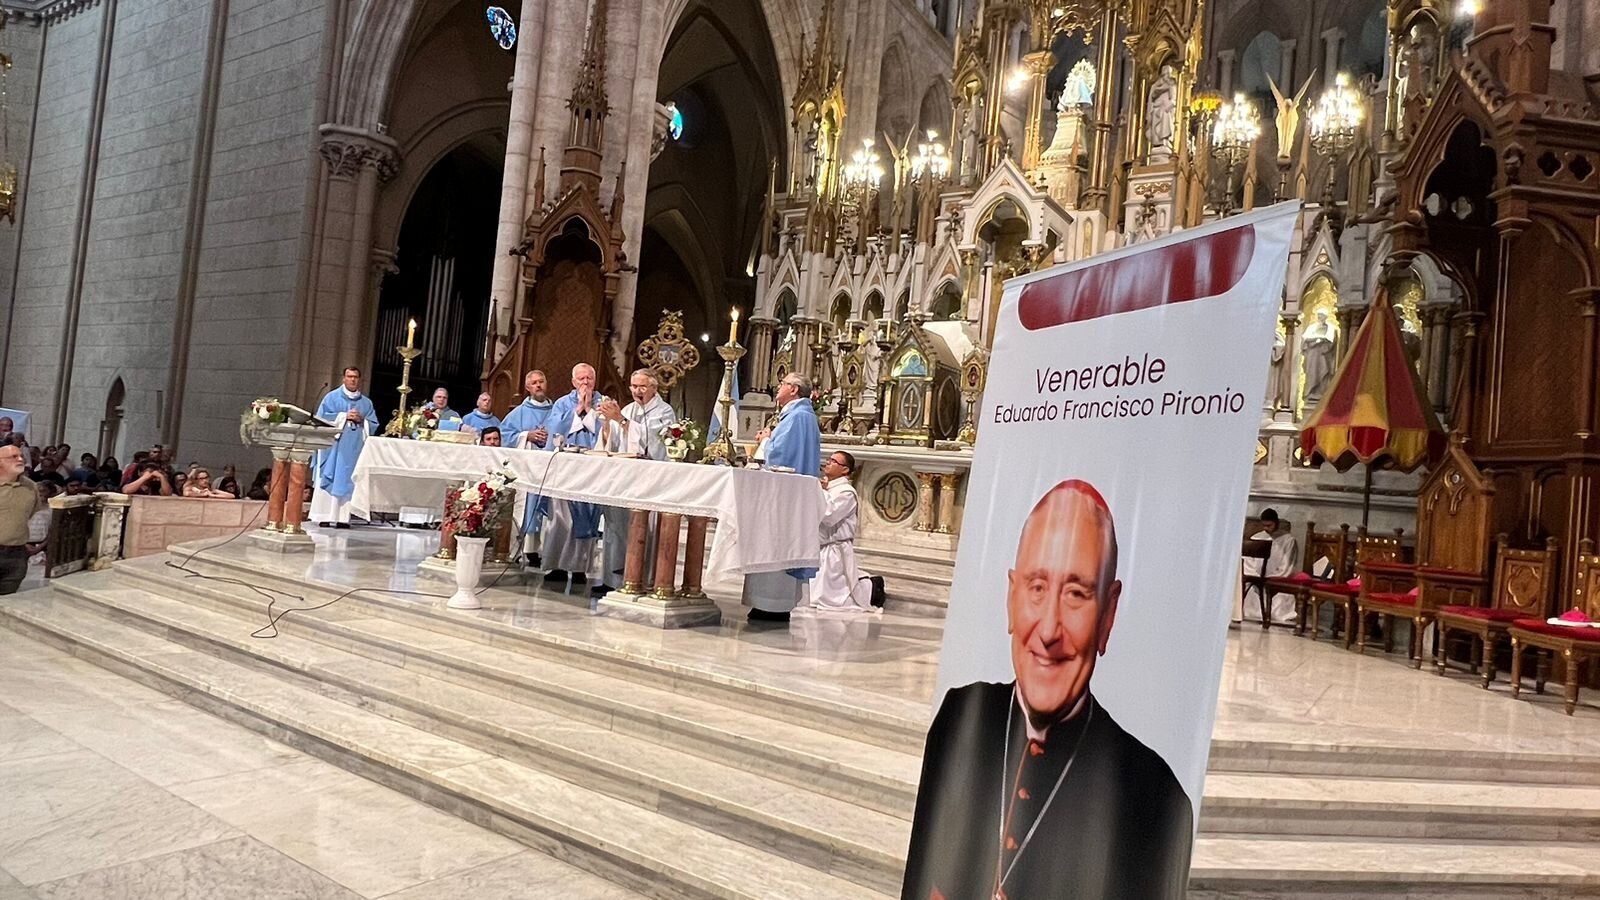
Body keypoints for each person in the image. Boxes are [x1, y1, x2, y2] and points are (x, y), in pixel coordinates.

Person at [902, 480, 1194, 900]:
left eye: (1076, 593)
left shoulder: (1155, 798)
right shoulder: (962, 713)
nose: (1049, 631)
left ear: (1108, 614)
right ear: (1011, 597)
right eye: (1037, 588)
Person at [743, 372, 822, 623]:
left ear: (794, 390)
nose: (779, 387)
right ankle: (773, 604)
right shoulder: (801, 416)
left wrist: (765, 441)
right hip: (790, 495)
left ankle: (769, 605)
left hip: (780, 498)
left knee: (774, 546)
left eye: (783, 384)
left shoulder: (797, 417)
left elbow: (780, 458)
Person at [595, 368, 676, 597]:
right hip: (623, 478)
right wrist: (607, 424)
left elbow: (653, 441)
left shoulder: (664, 411)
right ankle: (611, 579)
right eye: (633, 386)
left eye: (642, 386)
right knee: (615, 526)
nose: (636, 391)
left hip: (649, 479)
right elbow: (614, 442)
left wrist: (620, 420)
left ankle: (639, 577)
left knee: (641, 529)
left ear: (654, 388)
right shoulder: (629, 409)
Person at [541, 363, 608, 585]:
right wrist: (578, 410)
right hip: (564, 468)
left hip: (591, 469)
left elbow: (607, 431)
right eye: (581, 379)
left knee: (587, 517)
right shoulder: (562, 403)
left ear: (595, 381)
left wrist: (589, 411)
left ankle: (580, 568)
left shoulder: (604, 403)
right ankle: (557, 566)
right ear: (573, 382)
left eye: (589, 378)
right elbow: (555, 429)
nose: (585, 382)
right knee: (561, 518)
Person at [802, 451, 875, 614]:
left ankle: (870, 587)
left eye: (834, 461)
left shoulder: (846, 492)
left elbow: (828, 516)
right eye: (829, 460)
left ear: (845, 470)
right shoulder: (828, 487)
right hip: (820, 548)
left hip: (835, 551)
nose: (828, 463)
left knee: (827, 598)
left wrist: (820, 491)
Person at [311, 366, 379, 528]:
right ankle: (324, 516)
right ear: (343, 378)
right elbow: (321, 418)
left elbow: (373, 424)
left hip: (353, 450)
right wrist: (344, 416)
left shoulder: (366, 403)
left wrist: (362, 420)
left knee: (349, 480)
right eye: (349, 376)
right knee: (331, 477)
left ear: (359, 380)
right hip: (333, 448)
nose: (352, 379)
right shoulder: (331, 398)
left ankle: (342, 518)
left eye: (355, 377)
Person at [501, 370, 555, 565]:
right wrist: (526, 436)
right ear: (527, 387)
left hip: (550, 469)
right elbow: (505, 436)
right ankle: (525, 548)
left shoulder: (557, 410)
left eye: (541, 381)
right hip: (527, 470)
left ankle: (545, 551)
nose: (538, 385)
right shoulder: (518, 412)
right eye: (534, 383)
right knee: (527, 505)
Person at [1243, 508, 1300, 625]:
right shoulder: (1257, 538)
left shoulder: (1288, 541)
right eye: (1264, 525)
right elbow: (1248, 562)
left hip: (1277, 580)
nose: (1266, 528)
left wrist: (1270, 578)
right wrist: (1256, 576)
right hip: (1256, 578)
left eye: (1269, 525)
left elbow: (1287, 566)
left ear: (1276, 523)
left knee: (1278, 601)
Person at [0, 443, 40, 595]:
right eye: (13, 457)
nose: (20, 459)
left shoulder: (31, 487)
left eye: (21, 456)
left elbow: (29, 513)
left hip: (16, 554)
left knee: (8, 603)